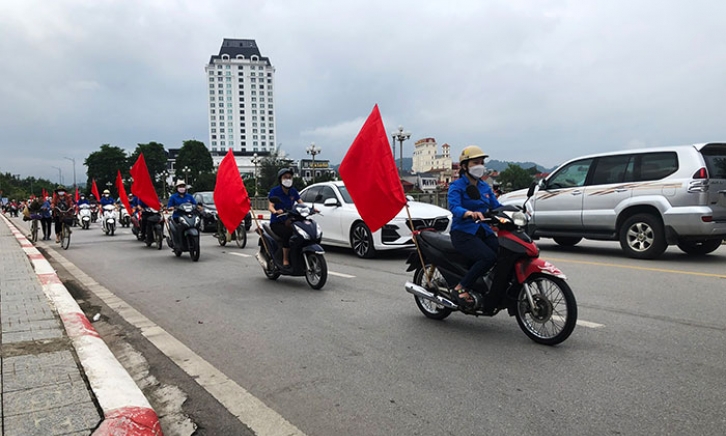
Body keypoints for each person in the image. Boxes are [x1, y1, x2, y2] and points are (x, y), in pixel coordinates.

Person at [447, 145, 502, 308]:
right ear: (464, 166)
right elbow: (454, 207)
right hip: (463, 232)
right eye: (475, 163)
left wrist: (515, 211)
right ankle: (460, 287)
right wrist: (469, 213)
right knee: (487, 257)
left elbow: (496, 205)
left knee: (504, 252)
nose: (480, 166)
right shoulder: (457, 186)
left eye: (481, 162)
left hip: (483, 230)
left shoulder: (484, 186)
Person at [267, 168, 305, 271]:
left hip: (289, 220)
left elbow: (301, 203)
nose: (288, 179)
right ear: (280, 179)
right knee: (287, 234)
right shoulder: (275, 191)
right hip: (277, 222)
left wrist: (310, 209)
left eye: (290, 177)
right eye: (285, 177)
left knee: (301, 232)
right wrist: (275, 211)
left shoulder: (293, 191)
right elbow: (270, 206)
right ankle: (285, 260)